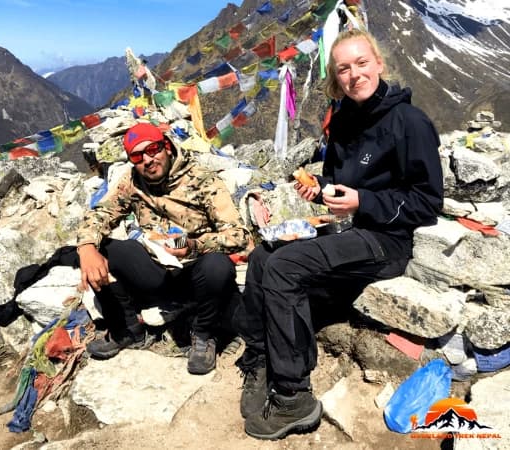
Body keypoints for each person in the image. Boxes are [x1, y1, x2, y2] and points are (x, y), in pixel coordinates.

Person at [236, 28, 444, 440]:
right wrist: (320, 189)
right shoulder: (345, 119)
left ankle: (294, 396)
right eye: (343, 69)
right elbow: (340, 181)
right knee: (263, 256)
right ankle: (262, 359)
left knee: (283, 267)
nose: (354, 75)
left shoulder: (409, 122)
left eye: (361, 63)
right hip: (349, 228)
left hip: (387, 240)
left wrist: (362, 203)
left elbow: (426, 202)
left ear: (379, 64)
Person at [76, 122, 250, 375]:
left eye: (153, 149)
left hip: (197, 270)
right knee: (102, 250)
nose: (148, 160)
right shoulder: (133, 182)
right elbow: (101, 213)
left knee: (217, 266)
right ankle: (127, 329)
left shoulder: (202, 180)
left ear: (166, 147)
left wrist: (194, 245)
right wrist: (87, 248)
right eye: (138, 156)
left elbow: (238, 235)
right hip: (158, 267)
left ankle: (203, 334)